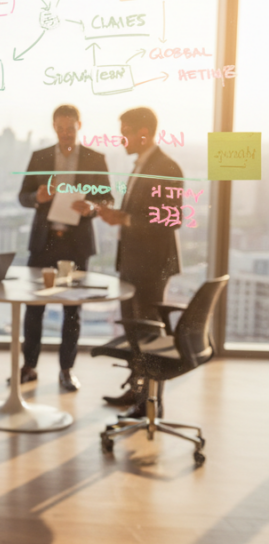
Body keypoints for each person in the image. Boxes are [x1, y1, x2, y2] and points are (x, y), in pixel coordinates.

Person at [18, 105, 113, 392]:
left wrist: (92, 208)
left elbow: (107, 198)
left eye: (70, 127)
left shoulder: (96, 159)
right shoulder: (40, 156)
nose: (65, 133)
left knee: (73, 310)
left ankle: (66, 370)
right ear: (54, 126)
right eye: (60, 128)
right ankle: (29, 367)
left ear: (79, 125)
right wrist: (38, 196)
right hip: (44, 242)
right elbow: (23, 196)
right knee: (35, 307)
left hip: (77, 242)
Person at [97, 106, 183, 417]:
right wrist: (120, 218)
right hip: (132, 263)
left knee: (147, 334)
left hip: (150, 266)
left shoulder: (166, 167)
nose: (122, 139)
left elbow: (172, 219)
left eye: (126, 132)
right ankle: (136, 391)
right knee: (136, 332)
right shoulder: (141, 166)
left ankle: (150, 402)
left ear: (142, 133)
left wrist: (127, 218)